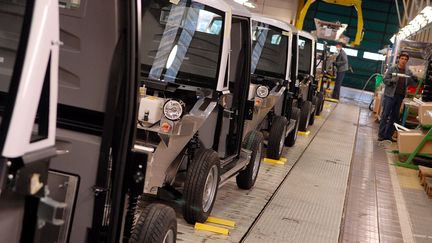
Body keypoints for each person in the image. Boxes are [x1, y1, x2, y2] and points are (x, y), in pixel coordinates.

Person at [378, 52, 417, 142]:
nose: (403, 61)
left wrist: (416, 79)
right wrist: (392, 80)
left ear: (407, 61)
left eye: (405, 59)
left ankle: (388, 135)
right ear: (399, 59)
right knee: (385, 115)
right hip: (390, 95)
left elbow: (413, 84)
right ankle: (381, 135)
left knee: (394, 116)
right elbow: (385, 80)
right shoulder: (392, 69)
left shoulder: (408, 72)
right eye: (402, 58)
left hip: (400, 96)